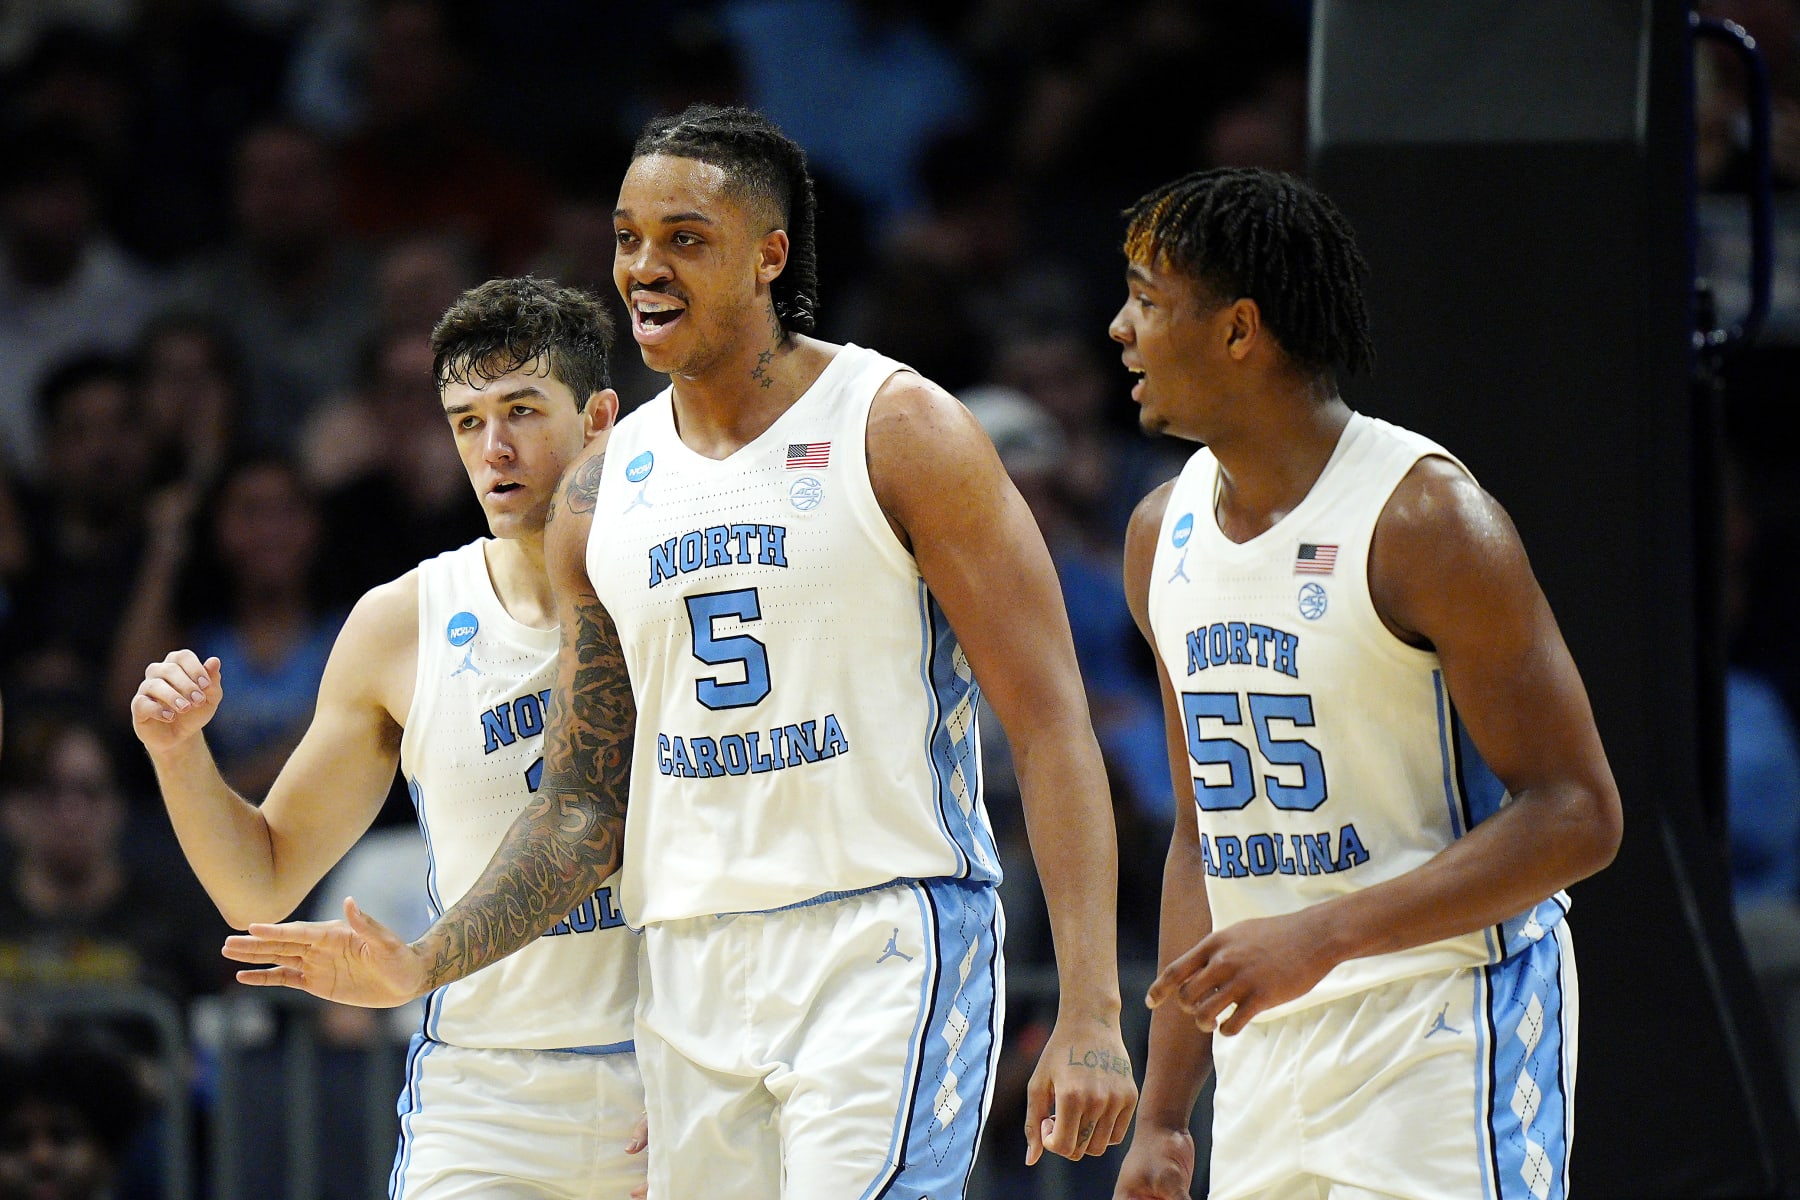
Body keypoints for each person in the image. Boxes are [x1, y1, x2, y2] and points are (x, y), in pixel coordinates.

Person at [223, 103, 1139, 1198]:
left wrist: (1090, 1006)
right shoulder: (600, 494)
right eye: (626, 237)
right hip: (690, 966)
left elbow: (1048, 724)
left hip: (883, 935)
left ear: (769, 256)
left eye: (684, 238)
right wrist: (422, 960)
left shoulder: (900, 428)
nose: (645, 267)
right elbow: (579, 809)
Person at [1104, 166, 1623, 1200]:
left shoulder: (1423, 520)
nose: (1120, 329)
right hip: (1265, 1049)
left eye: (1149, 303)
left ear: (1240, 330)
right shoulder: (1160, 533)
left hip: (1444, 1022)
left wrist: (1324, 934)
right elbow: (1203, 833)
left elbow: (1579, 815)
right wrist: (1164, 1113)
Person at [129, 277, 647, 1198]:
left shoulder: (676, 588)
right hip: (486, 1096)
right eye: (465, 421)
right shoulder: (402, 622)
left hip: (672, 1075)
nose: (494, 449)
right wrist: (179, 754)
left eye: (522, 411)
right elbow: (261, 879)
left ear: (601, 416)